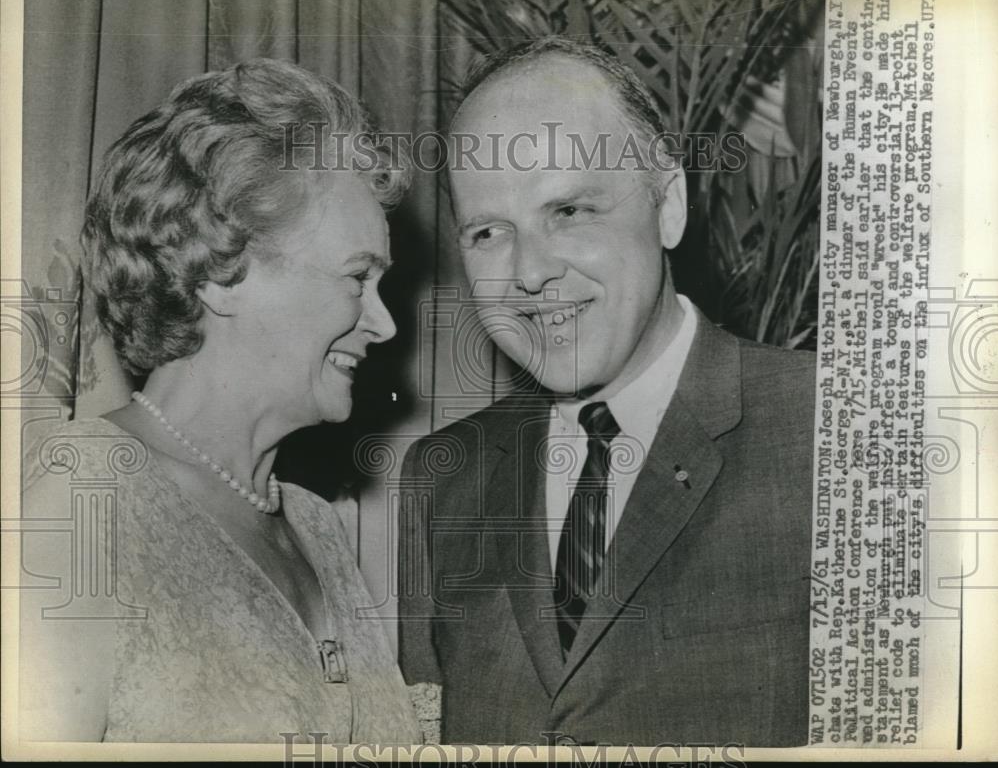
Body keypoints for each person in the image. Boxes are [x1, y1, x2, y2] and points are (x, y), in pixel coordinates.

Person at [398, 37, 816, 746]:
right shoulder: (443, 476)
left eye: (570, 212)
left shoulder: (831, 430)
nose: (528, 273)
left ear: (670, 206)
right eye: (489, 231)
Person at [19, 58, 429, 744]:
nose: (385, 324)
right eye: (358, 278)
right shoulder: (85, 499)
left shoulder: (314, 524)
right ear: (220, 273)